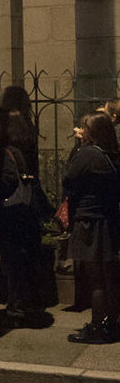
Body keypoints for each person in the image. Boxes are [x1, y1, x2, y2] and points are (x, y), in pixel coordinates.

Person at [64, 111, 120, 343]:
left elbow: (68, 179)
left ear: (93, 132)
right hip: (107, 219)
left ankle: (98, 327)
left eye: (84, 127)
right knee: (110, 276)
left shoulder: (87, 154)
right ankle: (111, 323)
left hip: (89, 221)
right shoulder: (112, 155)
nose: (80, 130)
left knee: (96, 279)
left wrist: (78, 147)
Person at [0, 107, 44, 327]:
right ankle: (20, 304)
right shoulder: (22, 148)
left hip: (9, 214)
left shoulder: (4, 151)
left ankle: (17, 308)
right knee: (17, 261)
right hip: (21, 214)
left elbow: (6, 179)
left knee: (13, 262)